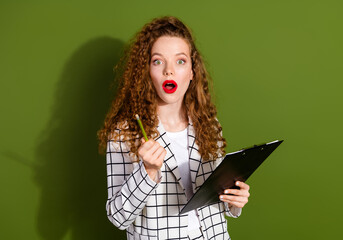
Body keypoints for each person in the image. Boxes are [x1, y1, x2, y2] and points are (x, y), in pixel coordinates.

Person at [98, 16, 250, 240]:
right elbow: (118, 217)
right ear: (146, 71)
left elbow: (216, 198)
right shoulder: (125, 132)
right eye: (158, 61)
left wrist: (234, 199)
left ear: (192, 72)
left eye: (180, 61)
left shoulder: (208, 124)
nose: (169, 71)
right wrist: (147, 172)